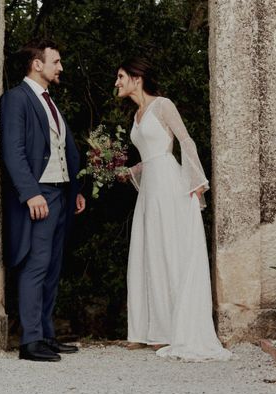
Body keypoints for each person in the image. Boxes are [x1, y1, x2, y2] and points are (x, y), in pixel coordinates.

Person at [115, 58, 231, 361]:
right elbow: (150, 157)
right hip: (150, 188)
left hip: (168, 183)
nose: (117, 83)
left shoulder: (163, 105)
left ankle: (169, 330)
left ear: (136, 79)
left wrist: (195, 182)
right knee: (148, 252)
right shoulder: (137, 115)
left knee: (168, 249)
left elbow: (184, 141)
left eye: (121, 76)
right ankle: (148, 329)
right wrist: (129, 172)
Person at [0, 39, 86, 362]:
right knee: (35, 264)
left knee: (52, 266)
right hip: (39, 193)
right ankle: (30, 340)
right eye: (56, 62)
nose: (60, 67)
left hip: (60, 192)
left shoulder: (49, 101)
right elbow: (14, 151)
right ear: (37, 64)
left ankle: (45, 334)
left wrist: (73, 188)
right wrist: (31, 192)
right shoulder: (15, 99)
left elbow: (63, 149)